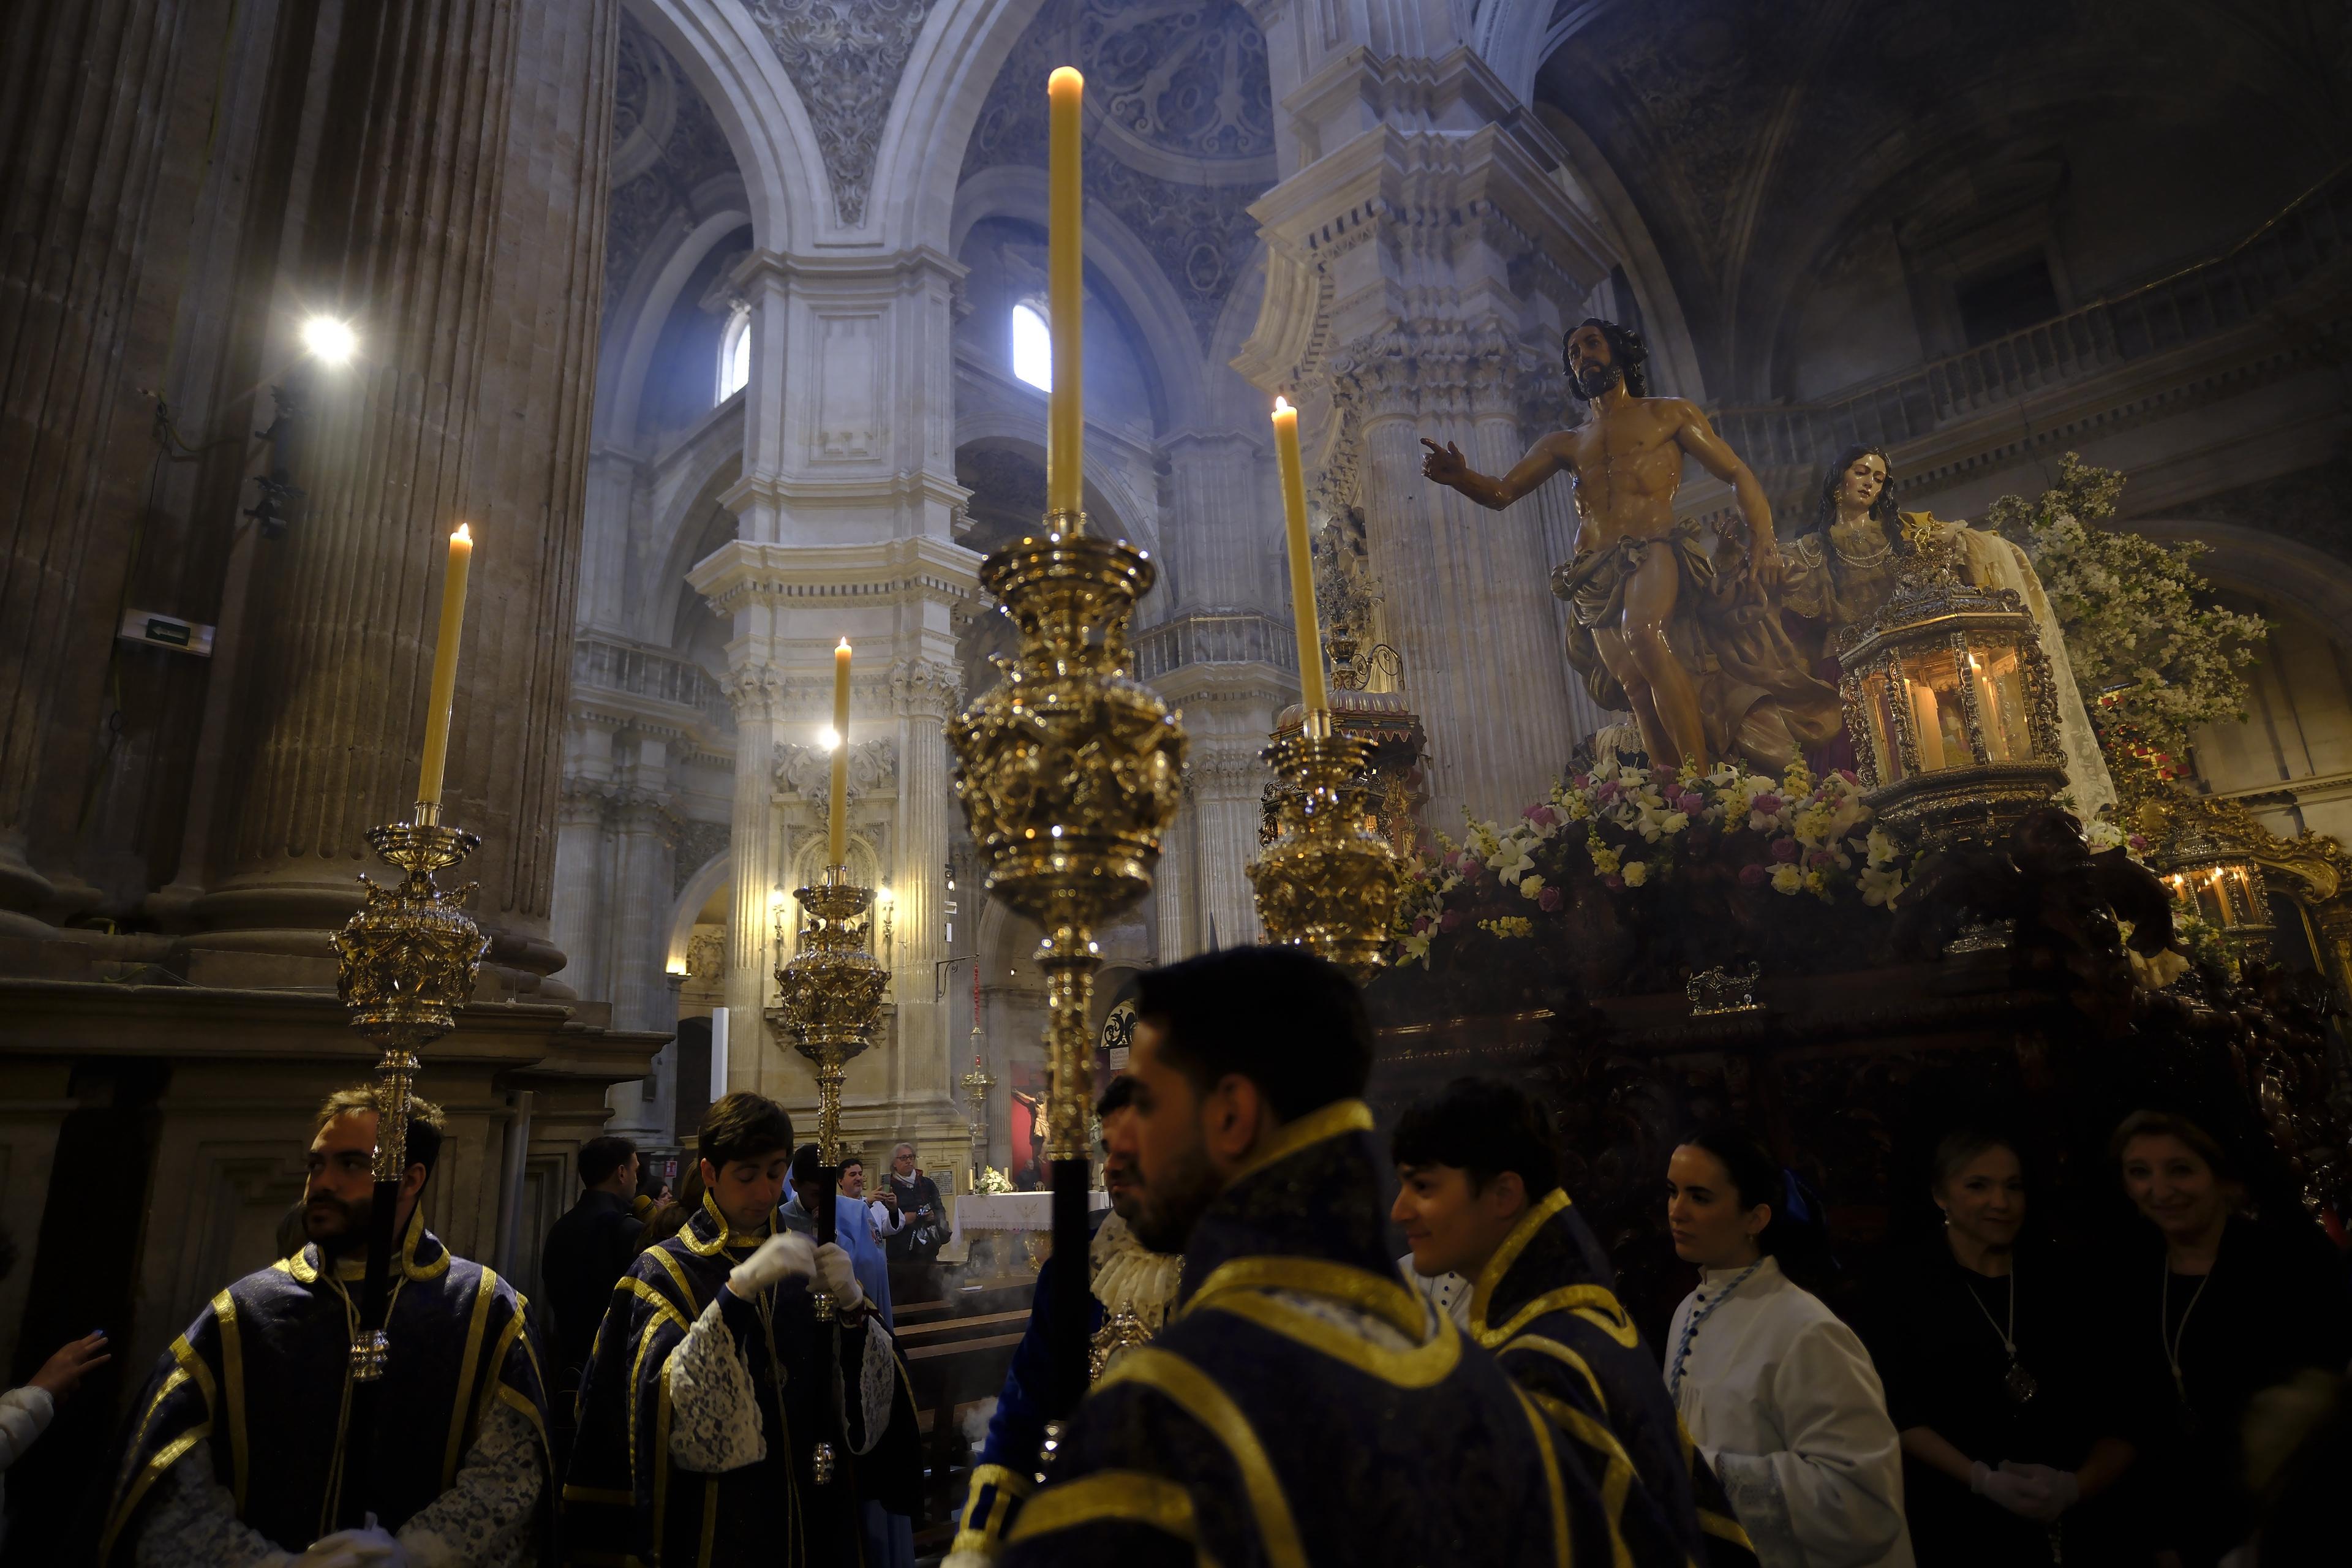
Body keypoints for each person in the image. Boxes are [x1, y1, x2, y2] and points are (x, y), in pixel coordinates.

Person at [995, 946, 1632, 1567]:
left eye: (1148, 1103)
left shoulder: (1175, 1415)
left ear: (1232, 1115)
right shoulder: (1476, 1382)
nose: (1125, 1144)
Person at [102, 1088, 551, 1566]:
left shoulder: (484, 1311)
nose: (322, 1183)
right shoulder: (244, 1313)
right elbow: (173, 1485)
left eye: (352, 1165)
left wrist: (413, 1557)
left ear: (410, 1180)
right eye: (316, 1165)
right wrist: (277, 1566)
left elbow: (509, 1480)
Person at [1420, 316, 1842, 772]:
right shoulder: (1565, 443)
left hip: (1650, 547)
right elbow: (1503, 492)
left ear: (1619, 351)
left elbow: (1736, 473)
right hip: (1591, 569)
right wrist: (1461, 478)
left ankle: (1699, 776)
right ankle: (1672, 787)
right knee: (1634, 685)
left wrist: (1764, 539)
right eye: (1574, 353)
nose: (1583, 357)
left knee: (1643, 635)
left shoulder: (1669, 414)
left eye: (1592, 344)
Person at [1393, 1076, 1757, 1567]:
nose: (1399, 1211)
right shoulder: (1580, 1323)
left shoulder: (1540, 1366)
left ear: (1504, 1194)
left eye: (1422, 1186)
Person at [563, 1091, 918, 1566]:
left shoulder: (805, 1259)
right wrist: (736, 1292)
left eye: (775, 1173)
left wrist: (854, 1309)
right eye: (747, 1176)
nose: (764, 1193)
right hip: (721, 1521)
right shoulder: (662, 1272)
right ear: (710, 1173)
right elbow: (658, 1405)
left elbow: (872, 1395)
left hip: (815, 1516)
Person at [1777, 444, 2114, 810]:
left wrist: (1974, 545)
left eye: (1878, 478)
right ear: (1837, 480)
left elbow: (1962, 546)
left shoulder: (1900, 537)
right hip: (1842, 670)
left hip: (1898, 667)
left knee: (1917, 756)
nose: (1869, 483)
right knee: (1852, 770)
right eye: (1860, 472)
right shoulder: (1808, 551)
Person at [1861, 1127, 2132, 1566]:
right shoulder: (1901, 1287)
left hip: (2083, 1522)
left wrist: (2076, 1487)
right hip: (1957, 1522)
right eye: (1978, 1186)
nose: (2001, 1203)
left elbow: (2122, 1404)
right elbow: (1896, 1406)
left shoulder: (2068, 1278)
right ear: (1940, 1195)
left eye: (2013, 1187)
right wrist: (1981, 1480)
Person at [951, 1075, 1182, 1563]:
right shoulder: (1076, 1268)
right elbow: (1021, 1417)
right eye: (1108, 1150)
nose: (1112, 1166)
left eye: (1133, 1150)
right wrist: (975, 1547)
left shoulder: (1221, 1266)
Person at [2108, 1109, 2352, 1566]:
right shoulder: (2128, 1275)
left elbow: (2320, 1409)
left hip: (2283, 1512)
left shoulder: (2289, 1265)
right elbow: (2136, 1417)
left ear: (2221, 1176)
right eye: (2140, 1173)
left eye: (2180, 1170)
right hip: (2172, 1517)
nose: (2160, 1190)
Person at [1664, 1126, 1913, 1567]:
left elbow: (1861, 1501)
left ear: (1755, 1219)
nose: (1676, 1212)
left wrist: (1702, 1472)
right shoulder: (1688, 1310)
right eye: (1672, 1192)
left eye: (1699, 1197)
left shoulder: (1807, 1331)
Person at [540, 1134, 644, 1404]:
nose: (637, 1179)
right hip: (615, 1373)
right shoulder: (629, 1231)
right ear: (621, 1173)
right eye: (635, 1170)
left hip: (567, 1365)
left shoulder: (561, 1227)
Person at [781, 1148, 895, 1326]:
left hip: (850, 1319)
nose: (824, 1200)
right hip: (802, 1319)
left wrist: (832, 1233)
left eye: (827, 1192)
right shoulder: (781, 1218)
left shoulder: (858, 1211)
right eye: (815, 1194)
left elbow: (874, 1267)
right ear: (795, 1185)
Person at [883, 1142, 946, 1266]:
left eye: (911, 1157)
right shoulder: (887, 1187)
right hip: (900, 1250)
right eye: (903, 1158)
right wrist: (902, 1219)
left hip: (927, 1249)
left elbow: (940, 1210)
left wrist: (933, 1215)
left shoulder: (927, 1183)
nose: (909, 1161)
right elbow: (882, 1216)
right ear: (894, 1163)